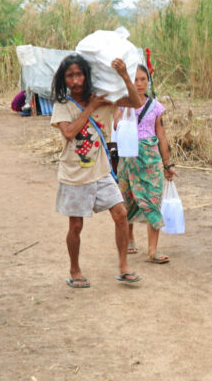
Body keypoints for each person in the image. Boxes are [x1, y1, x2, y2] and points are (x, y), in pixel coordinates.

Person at [50, 54, 144, 288]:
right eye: (70, 75)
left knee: (121, 213)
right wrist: (91, 107)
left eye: (79, 74)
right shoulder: (63, 105)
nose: (75, 80)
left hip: (101, 172)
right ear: (64, 79)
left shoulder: (105, 98)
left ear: (87, 74)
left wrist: (124, 75)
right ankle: (74, 269)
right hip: (74, 174)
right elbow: (70, 133)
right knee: (76, 226)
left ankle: (123, 267)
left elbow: (136, 102)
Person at [114, 64, 178, 263]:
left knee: (153, 200)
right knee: (127, 199)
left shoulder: (155, 107)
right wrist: (126, 111)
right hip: (128, 159)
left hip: (150, 160)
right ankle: (130, 237)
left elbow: (162, 135)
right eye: (135, 80)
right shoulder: (123, 104)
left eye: (143, 79)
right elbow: (116, 125)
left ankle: (152, 251)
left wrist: (167, 165)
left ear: (148, 81)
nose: (140, 84)